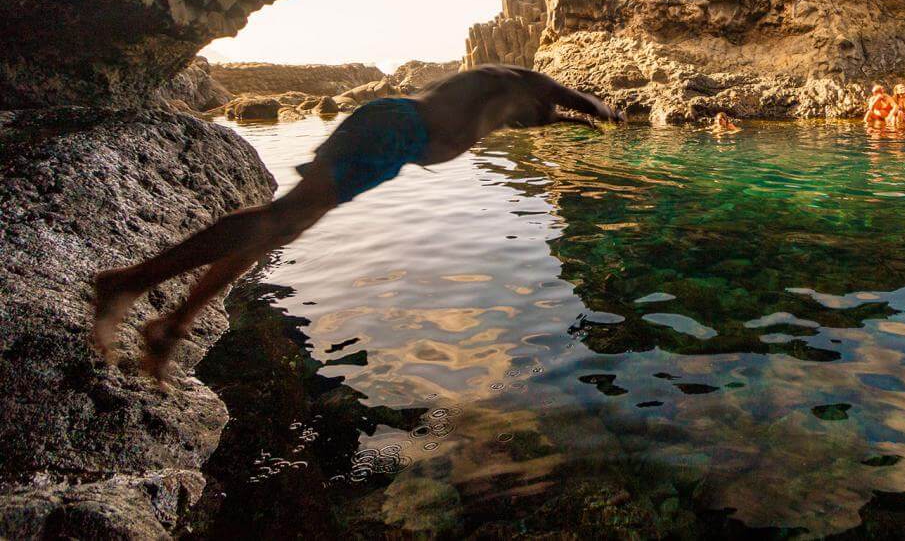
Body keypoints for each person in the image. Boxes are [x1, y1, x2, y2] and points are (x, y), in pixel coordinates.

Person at [92, 65, 621, 381]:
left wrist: (580, 119)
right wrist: (592, 103)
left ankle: (174, 322)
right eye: (539, 110)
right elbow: (541, 83)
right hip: (392, 129)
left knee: (284, 228)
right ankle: (128, 284)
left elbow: (548, 111)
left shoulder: (507, 113)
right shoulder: (499, 83)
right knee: (281, 220)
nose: (536, 116)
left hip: (392, 147)